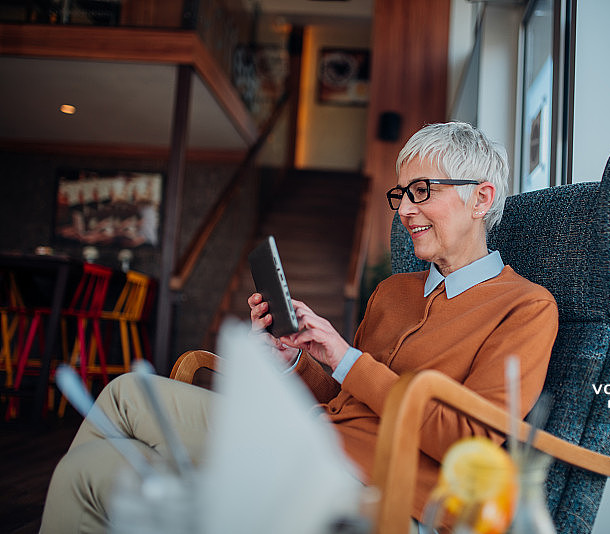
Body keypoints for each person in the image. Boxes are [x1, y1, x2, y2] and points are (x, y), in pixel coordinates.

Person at [40, 121, 558, 532]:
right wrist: (298, 358)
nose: (405, 209)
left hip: (378, 491)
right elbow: (343, 395)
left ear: (482, 199)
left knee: (96, 473)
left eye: (422, 191)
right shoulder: (392, 292)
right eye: (400, 194)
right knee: (116, 414)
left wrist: (348, 359)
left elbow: (474, 442)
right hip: (306, 439)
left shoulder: (526, 308)